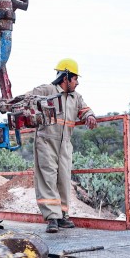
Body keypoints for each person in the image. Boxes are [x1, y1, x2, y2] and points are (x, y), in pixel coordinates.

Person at [24, 58, 98, 233]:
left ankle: (63, 215)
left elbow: (85, 109)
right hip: (46, 141)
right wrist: (32, 111)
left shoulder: (75, 97)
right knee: (48, 178)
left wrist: (89, 116)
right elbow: (26, 99)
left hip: (65, 143)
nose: (77, 83)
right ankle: (52, 218)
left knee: (64, 179)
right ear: (65, 78)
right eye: (75, 79)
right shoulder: (46, 90)